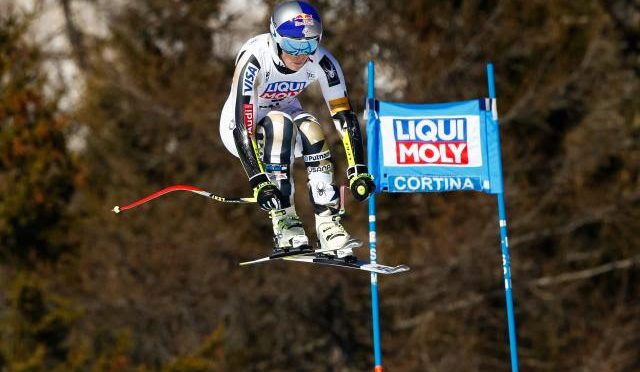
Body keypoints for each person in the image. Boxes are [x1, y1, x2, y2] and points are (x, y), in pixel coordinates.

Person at [219, 0, 374, 259]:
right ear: (276, 38)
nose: (301, 55)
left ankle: (327, 224)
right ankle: (285, 222)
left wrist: (357, 169)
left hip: (285, 116)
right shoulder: (256, 61)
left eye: (310, 44)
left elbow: (344, 116)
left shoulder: (324, 62)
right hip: (240, 129)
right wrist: (258, 180)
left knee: (313, 128)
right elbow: (242, 124)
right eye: (293, 45)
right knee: (279, 125)